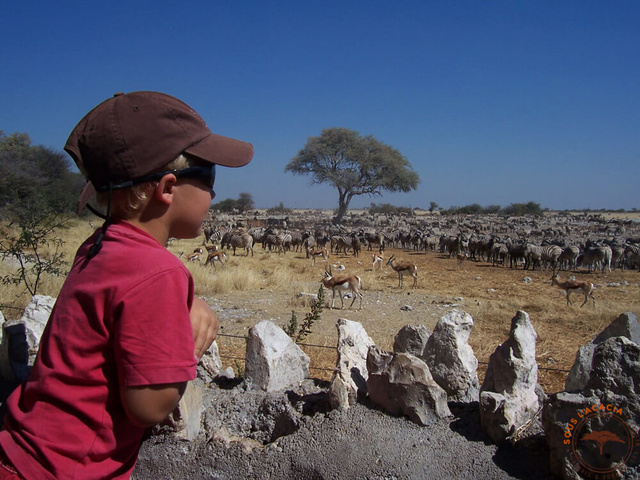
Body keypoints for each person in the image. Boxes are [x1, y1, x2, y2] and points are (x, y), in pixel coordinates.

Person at [0, 91, 253, 479]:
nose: (214, 193)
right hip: (67, 470)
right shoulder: (160, 270)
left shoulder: (97, 246)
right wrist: (186, 339)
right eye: (208, 178)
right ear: (167, 188)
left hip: (24, 450)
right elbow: (149, 407)